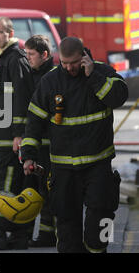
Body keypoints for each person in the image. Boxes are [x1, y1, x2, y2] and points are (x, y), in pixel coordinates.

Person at [21, 36, 127, 253]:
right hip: (63, 169)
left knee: (102, 218)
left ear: (84, 57)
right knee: (67, 231)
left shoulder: (102, 72)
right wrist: (29, 155)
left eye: (74, 63)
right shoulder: (50, 82)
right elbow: (34, 122)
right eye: (65, 63)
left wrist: (93, 77)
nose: (69, 68)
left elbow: (118, 98)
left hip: (98, 165)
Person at [0, 17, 35, 250]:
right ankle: (17, 235)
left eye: (0, 33)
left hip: (10, 138)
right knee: (12, 183)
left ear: (10, 33)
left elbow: (21, 98)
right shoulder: (6, 57)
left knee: (2, 183)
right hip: (2, 135)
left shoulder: (15, 58)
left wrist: (18, 133)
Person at [23, 35, 56, 247]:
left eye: (31, 55)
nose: (27, 59)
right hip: (37, 143)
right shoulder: (33, 74)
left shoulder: (52, 77)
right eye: (25, 54)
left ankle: (50, 234)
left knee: (51, 190)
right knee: (43, 190)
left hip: (52, 144)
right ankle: (46, 234)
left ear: (44, 54)